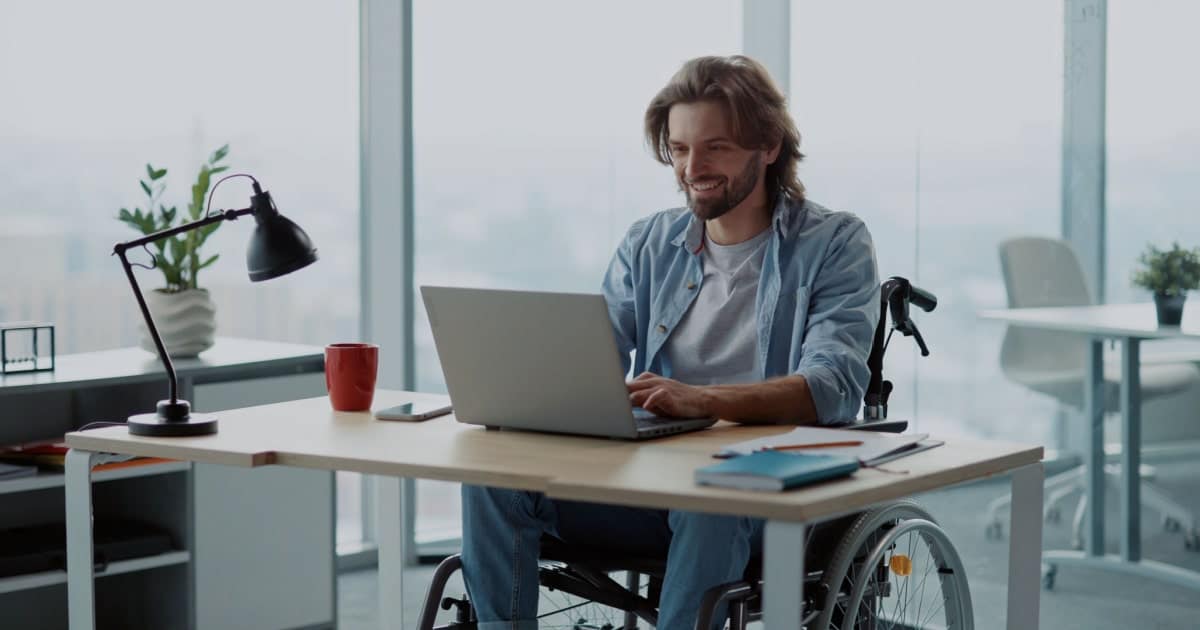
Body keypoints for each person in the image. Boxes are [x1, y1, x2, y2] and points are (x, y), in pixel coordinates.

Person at [460, 55, 879, 630]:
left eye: (716, 148)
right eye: (679, 149)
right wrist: (532, 394)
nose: (692, 167)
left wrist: (704, 401)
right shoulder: (649, 242)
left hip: (764, 492)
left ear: (770, 146)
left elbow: (832, 388)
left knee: (712, 499)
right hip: (652, 482)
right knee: (494, 481)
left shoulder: (834, 242)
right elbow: (596, 358)